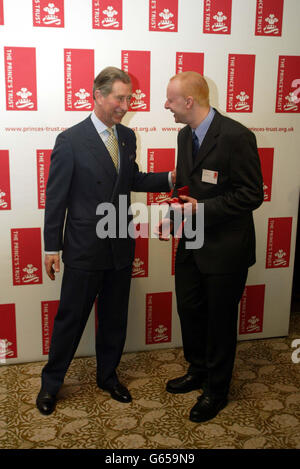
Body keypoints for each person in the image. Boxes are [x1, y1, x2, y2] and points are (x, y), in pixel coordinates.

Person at [36, 66, 175, 415]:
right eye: (119, 97)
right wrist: (51, 247)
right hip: (84, 247)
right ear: (97, 95)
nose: (125, 104)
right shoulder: (70, 140)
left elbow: (131, 179)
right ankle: (51, 384)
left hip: (119, 244)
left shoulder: (127, 137)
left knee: (114, 318)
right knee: (70, 319)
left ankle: (108, 376)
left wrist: (171, 177)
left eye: (129, 98)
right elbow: (56, 199)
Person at [157, 71, 264, 423]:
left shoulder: (237, 136)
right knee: (189, 310)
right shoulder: (184, 135)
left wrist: (200, 210)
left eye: (171, 99)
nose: (166, 105)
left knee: (219, 322)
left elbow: (251, 195)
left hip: (225, 249)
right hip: (191, 241)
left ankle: (216, 390)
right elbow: (186, 187)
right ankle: (198, 369)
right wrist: (173, 214)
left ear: (189, 102)